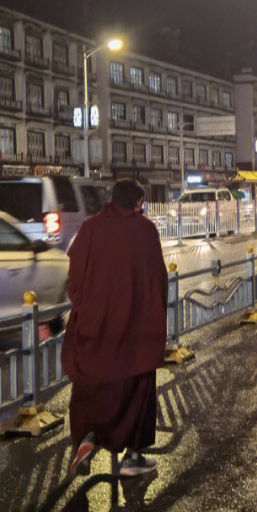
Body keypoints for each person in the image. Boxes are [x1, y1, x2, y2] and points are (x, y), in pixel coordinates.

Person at [61, 177, 169, 479]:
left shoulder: (91, 227)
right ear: (137, 205)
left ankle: (88, 436)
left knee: (92, 385)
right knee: (137, 390)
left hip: (96, 327)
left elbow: (76, 276)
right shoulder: (144, 230)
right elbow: (156, 280)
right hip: (135, 330)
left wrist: (85, 308)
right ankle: (133, 458)